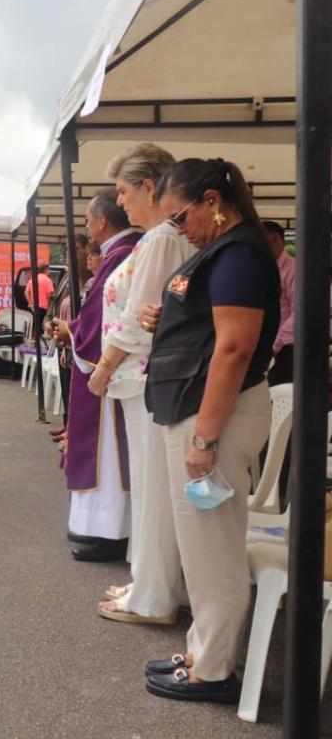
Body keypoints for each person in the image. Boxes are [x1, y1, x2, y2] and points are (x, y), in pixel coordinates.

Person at [139, 158, 279, 704]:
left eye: (179, 216)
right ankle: (202, 650)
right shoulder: (227, 251)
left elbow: (235, 348)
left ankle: (214, 668)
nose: (178, 228)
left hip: (214, 416)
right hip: (204, 410)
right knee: (202, 543)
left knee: (212, 544)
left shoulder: (239, 252)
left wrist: (204, 439)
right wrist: (166, 315)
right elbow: (212, 329)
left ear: (211, 202)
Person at [87, 143, 193, 623]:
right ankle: (150, 584)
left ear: (149, 187)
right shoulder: (159, 239)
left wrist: (105, 366)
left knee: (152, 490)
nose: (121, 201)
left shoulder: (160, 240)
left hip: (145, 374)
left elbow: (136, 317)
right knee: (151, 486)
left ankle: (154, 596)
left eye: (125, 191)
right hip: (143, 377)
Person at [49, 188, 141, 561]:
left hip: (114, 371)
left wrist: (72, 331)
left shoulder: (120, 255)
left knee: (110, 455)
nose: (88, 227)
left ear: (102, 222)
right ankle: (104, 530)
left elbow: (104, 320)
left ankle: (110, 533)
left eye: (88, 220)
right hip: (114, 366)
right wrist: (75, 327)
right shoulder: (125, 252)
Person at [47, 233, 90, 440]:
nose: (70, 254)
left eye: (76, 250)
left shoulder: (90, 280)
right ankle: (67, 425)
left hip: (77, 341)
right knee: (66, 388)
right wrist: (49, 321)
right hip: (62, 341)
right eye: (67, 250)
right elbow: (54, 305)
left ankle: (73, 430)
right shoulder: (66, 278)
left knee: (76, 390)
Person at [263, 221, 294, 385]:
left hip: (287, 348)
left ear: (274, 239)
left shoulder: (293, 269)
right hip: (271, 344)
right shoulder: (266, 267)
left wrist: (276, 344)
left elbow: (299, 313)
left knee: (280, 391)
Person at [24, 263, 54, 328]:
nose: (49, 272)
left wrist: (30, 303)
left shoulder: (32, 280)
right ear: (46, 270)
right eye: (49, 270)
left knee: (34, 325)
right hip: (43, 308)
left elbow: (26, 292)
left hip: (33, 308)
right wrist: (49, 306)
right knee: (42, 326)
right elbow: (49, 295)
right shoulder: (48, 280)